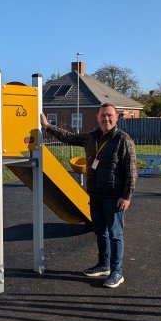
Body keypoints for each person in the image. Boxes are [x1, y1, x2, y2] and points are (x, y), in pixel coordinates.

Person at [40, 103, 137, 288]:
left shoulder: (123, 140)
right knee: (100, 231)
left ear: (116, 118)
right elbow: (70, 137)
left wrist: (127, 196)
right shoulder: (91, 137)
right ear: (97, 117)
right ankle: (104, 264)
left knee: (115, 234)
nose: (106, 119)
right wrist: (47, 127)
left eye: (109, 115)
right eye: (103, 116)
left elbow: (132, 171)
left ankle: (117, 272)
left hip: (114, 196)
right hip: (95, 195)